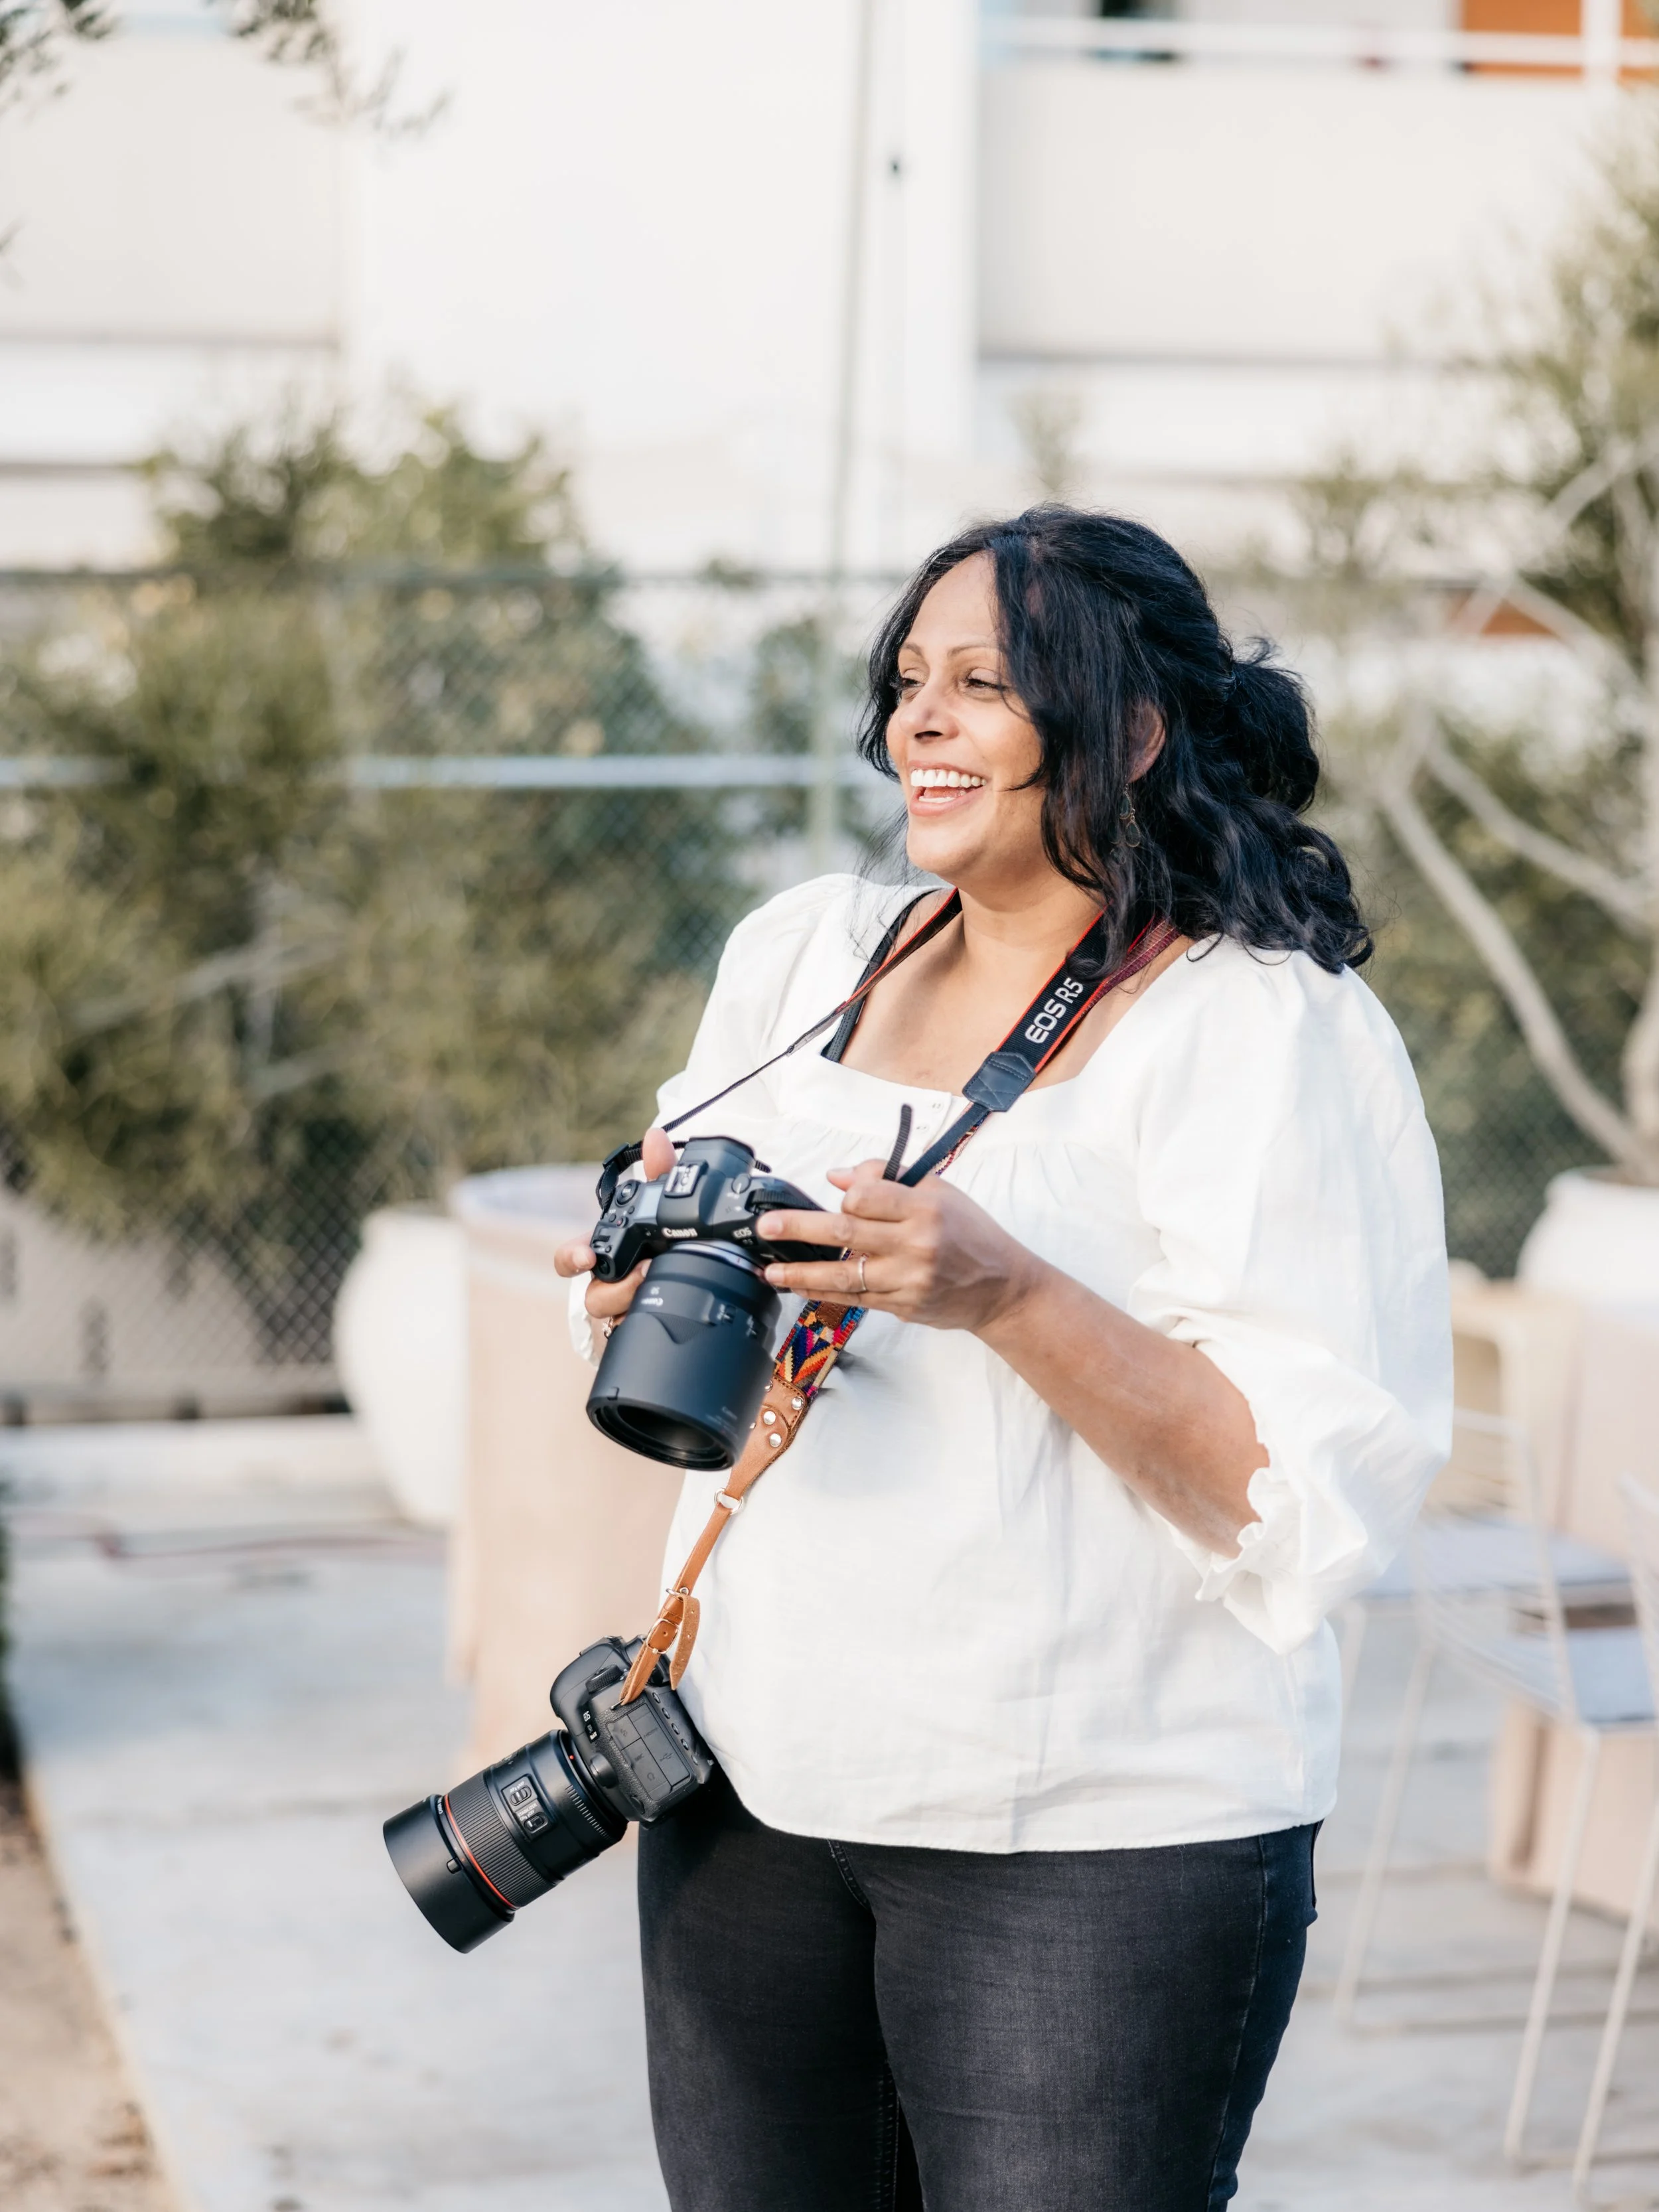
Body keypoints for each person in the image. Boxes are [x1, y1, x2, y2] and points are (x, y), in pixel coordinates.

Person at [556, 507, 1451, 2212]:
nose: (920, 724)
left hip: (1088, 1842)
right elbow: (691, 1247)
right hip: (746, 1779)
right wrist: (636, 1284)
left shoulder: (1260, 1027)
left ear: (1125, 727)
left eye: (980, 684)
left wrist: (1009, 1295)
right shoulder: (806, 956)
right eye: (908, 683)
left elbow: (1307, 1489)